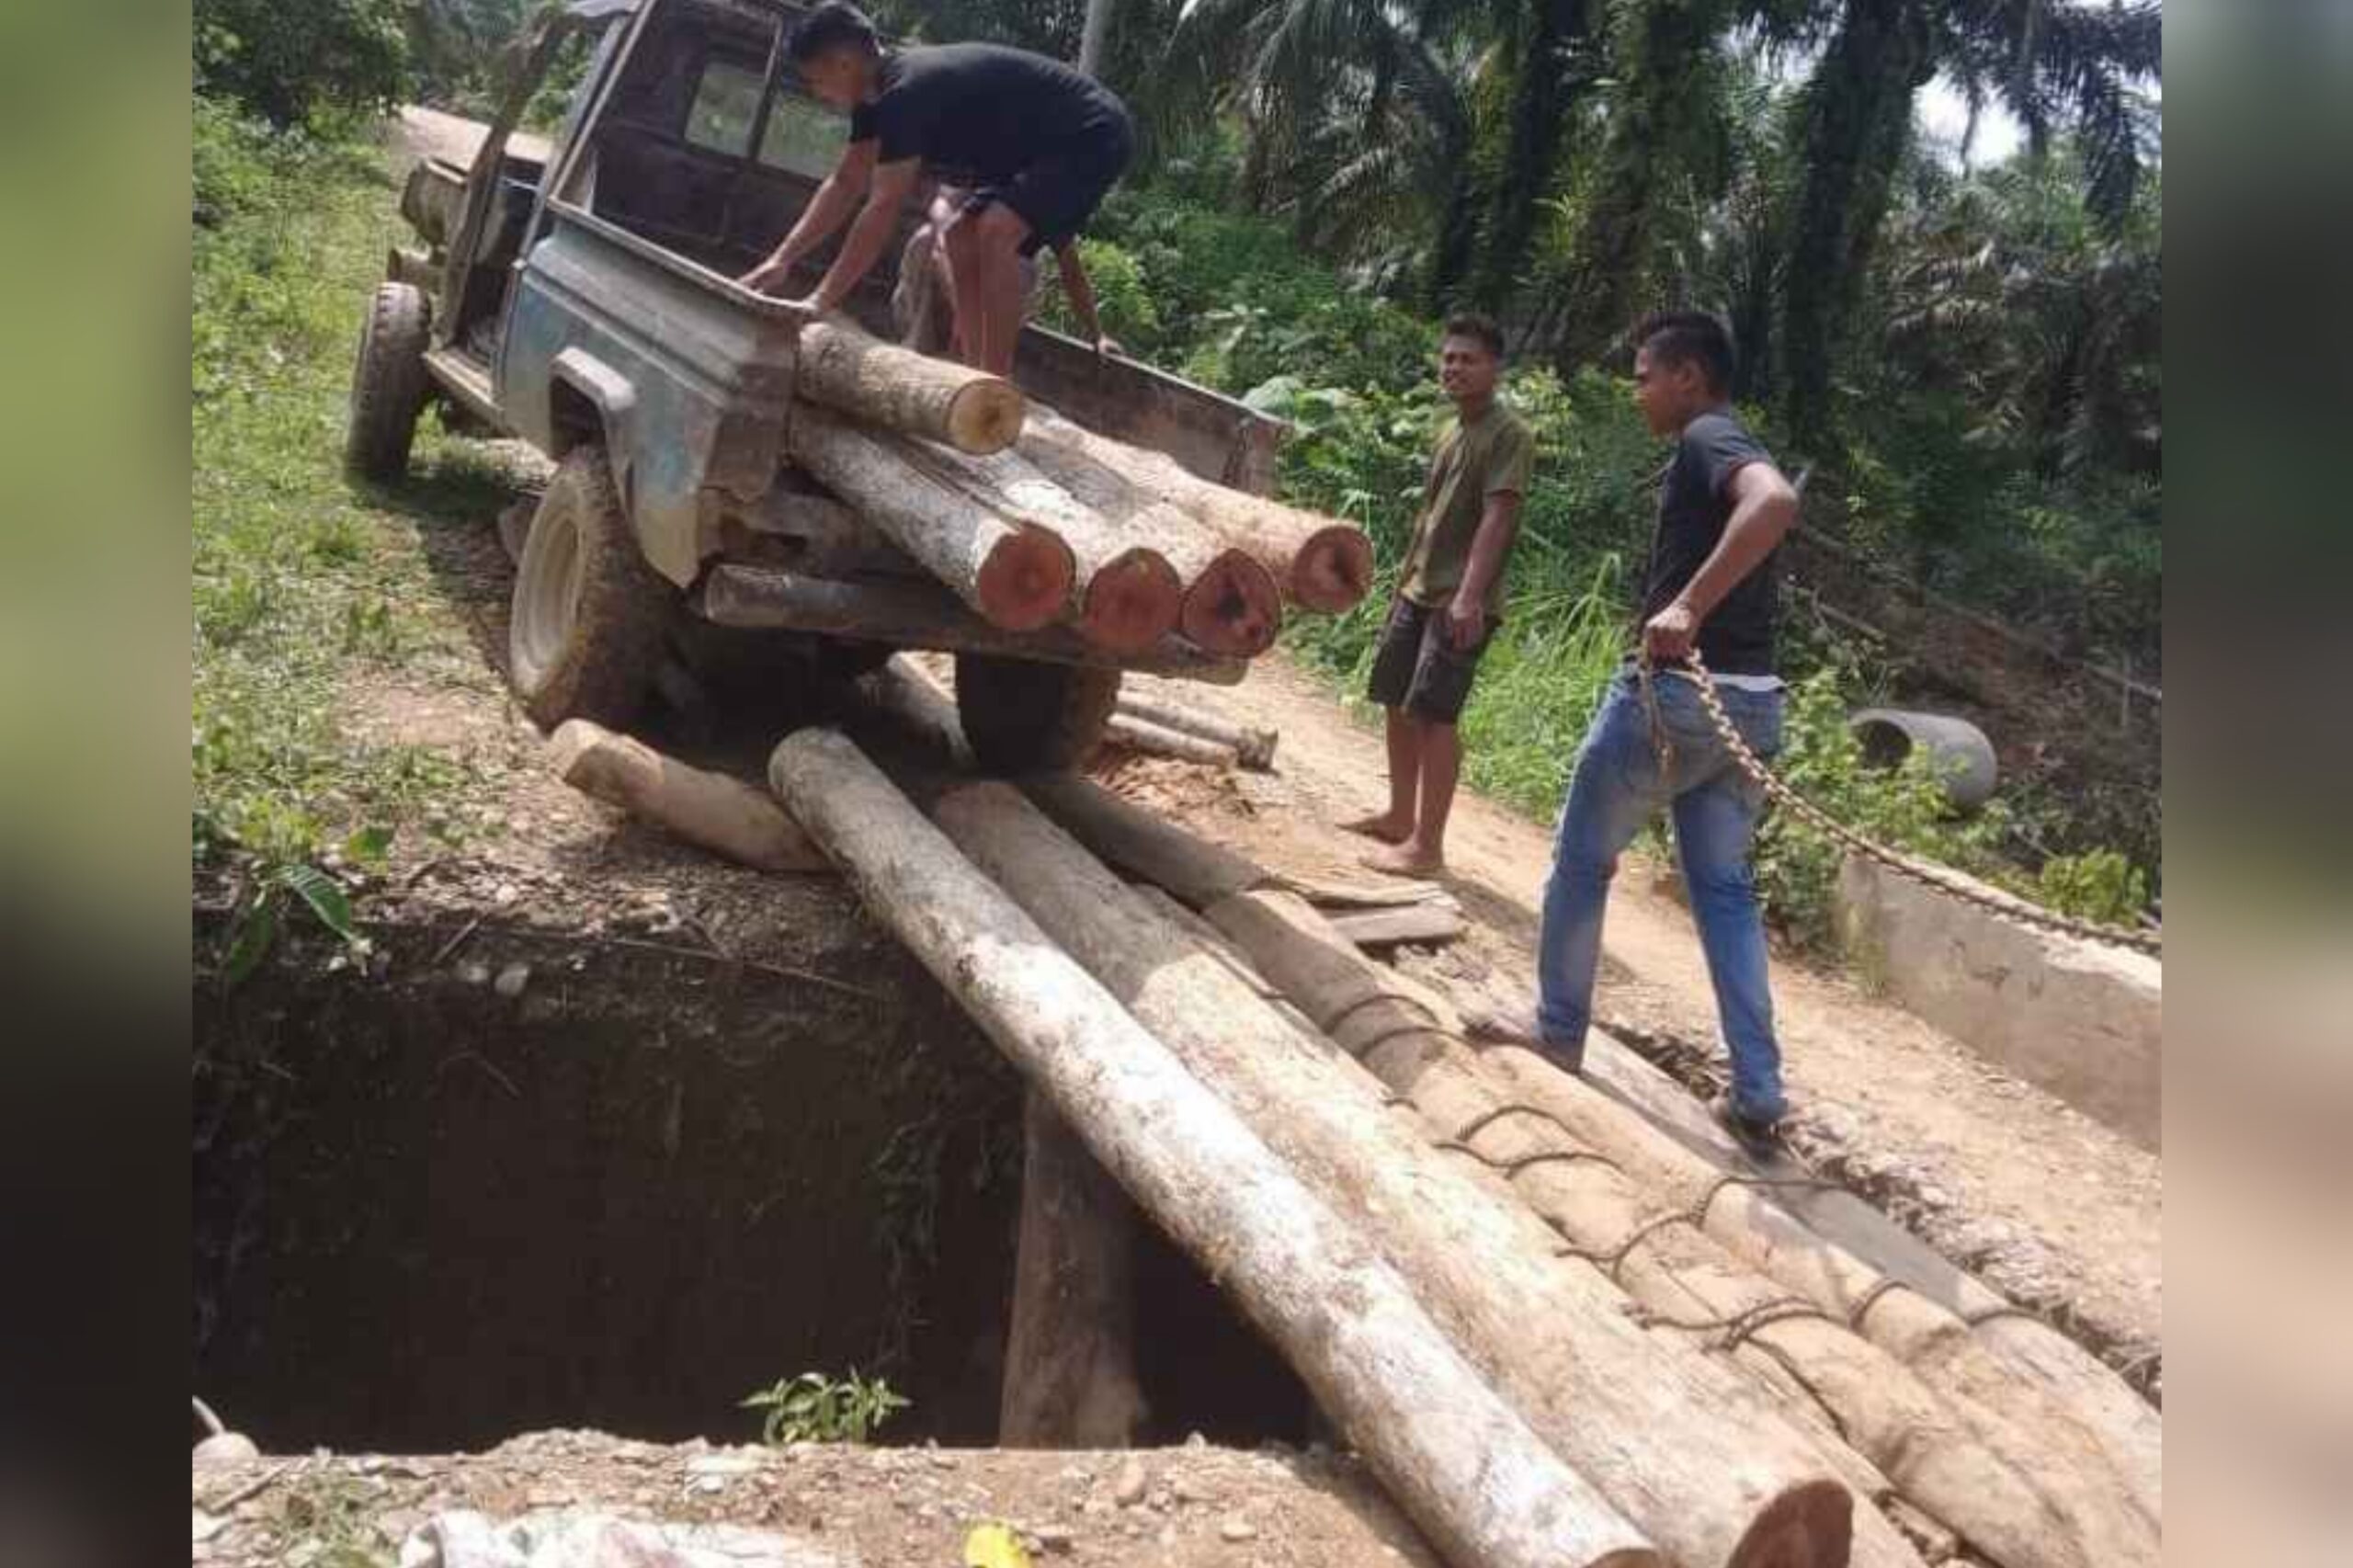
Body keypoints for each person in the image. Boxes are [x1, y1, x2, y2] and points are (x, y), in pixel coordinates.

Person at [1529, 310, 1801, 1155]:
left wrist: (1687, 605)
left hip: (1681, 696)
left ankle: (1555, 1027)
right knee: (1723, 893)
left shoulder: (1708, 437)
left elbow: (1776, 499)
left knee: (1582, 857)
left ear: (1687, 376)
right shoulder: (1714, 442)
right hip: (1753, 707)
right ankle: (1757, 1092)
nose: (1637, 389)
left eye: (1644, 374)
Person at [740, 3, 1132, 373]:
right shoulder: (875, 100)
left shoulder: (907, 92)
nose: (817, 93)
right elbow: (845, 182)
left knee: (997, 230)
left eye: (816, 80)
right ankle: (973, 373)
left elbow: (882, 207)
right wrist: (782, 259)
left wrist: (819, 301)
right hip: (1032, 153)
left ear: (843, 63)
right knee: (961, 234)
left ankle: (994, 386)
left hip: (1092, 131)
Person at [1345, 313, 1532, 877]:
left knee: (1434, 714)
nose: (1454, 367)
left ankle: (1428, 849)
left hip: (1460, 599)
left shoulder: (1509, 435)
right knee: (1396, 701)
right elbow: (1429, 516)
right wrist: (1402, 584)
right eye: (1448, 358)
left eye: (1467, 359)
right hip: (1419, 590)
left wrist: (1470, 597)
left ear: (1495, 368)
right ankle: (1400, 818)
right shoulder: (1451, 427)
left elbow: (1499, 518)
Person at [892, 182, 1121, 361]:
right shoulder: (995, 159)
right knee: (925, 240)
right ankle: (919, 347)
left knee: (1018, 269)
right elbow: (941, 208)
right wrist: (960, 301)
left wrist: (1097, 335)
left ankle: (981, 361)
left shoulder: (1048, 195)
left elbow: (1072, 272)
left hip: (1003, 283)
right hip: (948, 264)